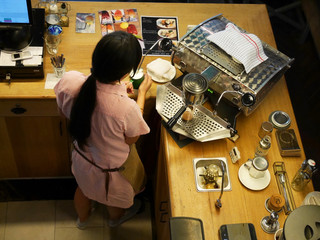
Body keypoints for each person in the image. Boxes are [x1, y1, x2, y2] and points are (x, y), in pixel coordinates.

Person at [54, 31, 152, 228]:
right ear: (127, 71)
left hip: (82, 161)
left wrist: (119, 89)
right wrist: (142, 94)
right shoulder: (126, 108)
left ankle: (82, 221)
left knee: (83, 190)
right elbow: (131, 139)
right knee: (113, 201)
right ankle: (114, 221)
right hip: (110, 173)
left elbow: (63, 110)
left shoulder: (71, 81)